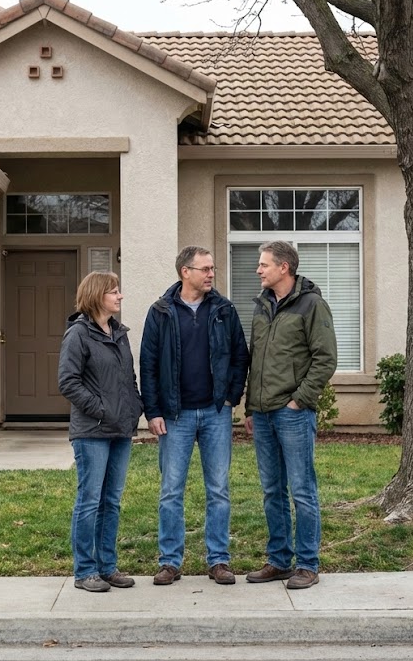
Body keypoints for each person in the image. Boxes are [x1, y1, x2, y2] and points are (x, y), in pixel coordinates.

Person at [140, 246, 250, 586]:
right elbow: (148, 364)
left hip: (216, 412)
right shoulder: (160, 311)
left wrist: (232, 397)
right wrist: (153, 410)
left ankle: (218, 560)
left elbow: (239, 356)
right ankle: (170, 561)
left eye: (212, 268)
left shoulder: (223, 309)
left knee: (218, 489)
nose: (211, 274)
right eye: (204, 269)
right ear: (185, 272)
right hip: (175, 416)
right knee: (171, 490)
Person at [244, 241, 337, 590]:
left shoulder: (312, 305)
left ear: (284, 268)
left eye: (264, 264)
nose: (258, 270)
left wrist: (300, 400)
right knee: (272, 490)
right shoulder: (262, 305)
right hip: (264, 414)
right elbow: (257, 360)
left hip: (292, 413)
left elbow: (325, 358)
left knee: (302, 490)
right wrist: (251, 406)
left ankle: (308, 564)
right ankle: (280, 560)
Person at [58, 271, 143, 593]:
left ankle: (108, 567)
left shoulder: (118, 333)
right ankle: (85, 571)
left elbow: (128, 379)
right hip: (92, 431)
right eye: (115, 292)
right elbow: (68, 382)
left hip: (120, 430)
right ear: (97, 295)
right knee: (89, 501)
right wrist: (101, 409)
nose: (120, 297)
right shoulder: (79, 334)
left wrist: (135, 407)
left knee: (112, 501)